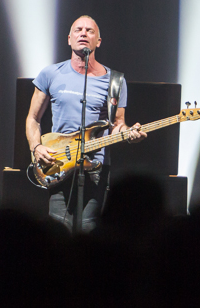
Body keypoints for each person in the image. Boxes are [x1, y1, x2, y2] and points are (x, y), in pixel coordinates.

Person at [26, 15, 144, 232]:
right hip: (58, 163)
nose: (83, 33)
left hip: (96, 168)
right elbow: (33, 118)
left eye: (90, 31)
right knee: (58, 232)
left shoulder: (115, 81)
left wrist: (128, 132)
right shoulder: (50, 74)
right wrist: (36, 147)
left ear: (98, 41)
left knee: (90, 232)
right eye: (78, 30)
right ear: (69, 39)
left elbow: (117, 125)